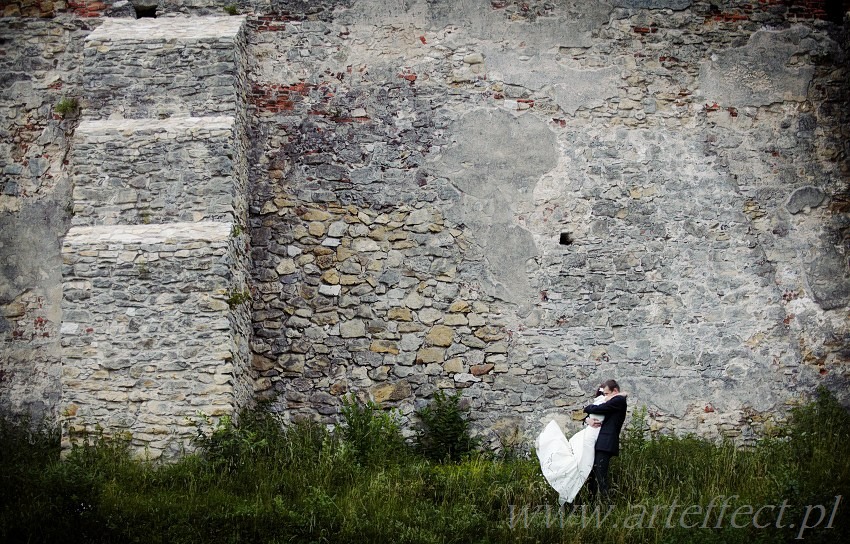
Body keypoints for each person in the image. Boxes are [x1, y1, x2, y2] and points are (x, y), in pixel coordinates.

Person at [536, 384, 607, 505]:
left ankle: (587, 499)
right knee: (579, 463)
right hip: (587, 437)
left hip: (594, 439)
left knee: (582, 464)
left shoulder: (605, 405)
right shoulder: (601, 403)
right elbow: (589, 415)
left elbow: (593, 411)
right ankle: (580, 497)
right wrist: (587, 420)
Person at [583, 379, 627, 502]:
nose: (605, 396)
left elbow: (599, 409)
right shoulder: (615, 399)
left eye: (607, 394)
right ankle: (591, 503)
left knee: (600, 475)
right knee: (592, 475)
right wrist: (588, 420)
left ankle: (607, 506)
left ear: (615, 391)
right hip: (599, 442)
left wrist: (587, 408)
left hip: (606, 443)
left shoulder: (619, 400)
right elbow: (595, 414)